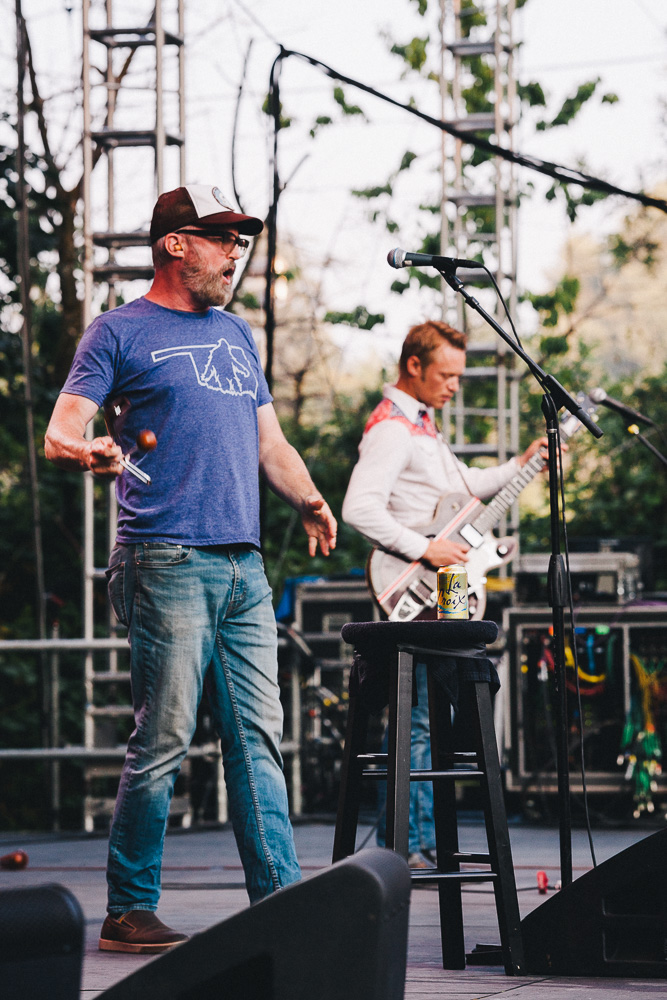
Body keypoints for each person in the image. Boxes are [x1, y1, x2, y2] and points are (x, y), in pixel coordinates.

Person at [45, 184, 337, 954]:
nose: (235, 253)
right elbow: (61, 429)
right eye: (221, 239)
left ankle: (280, 903)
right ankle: (127, 910)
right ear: (176, 244)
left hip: (243, 564)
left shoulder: (237, 335)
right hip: (164, 558)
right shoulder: (117, 331)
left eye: (240, 241)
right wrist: (89, 450)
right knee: (165, 736)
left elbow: (269, 443)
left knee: (257, 741)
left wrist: (308, 499)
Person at [342, 320, 546, 868]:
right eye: (447, 374)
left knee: (426, 714)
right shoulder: (392, 430)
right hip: (414, 584)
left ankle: (413, 842)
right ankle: (408, 846)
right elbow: (358, 508)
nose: (455, 385)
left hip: (433, 586)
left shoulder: (423, 427)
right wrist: (425, 550)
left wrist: (524, 465)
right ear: (414, 366)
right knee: (417, 716)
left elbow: (467, 487)